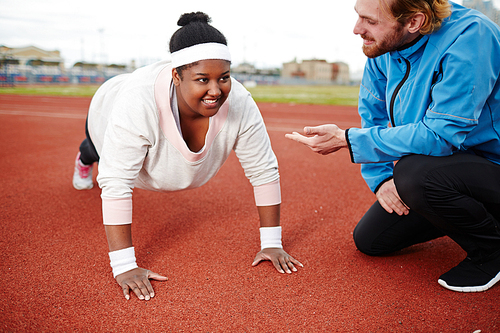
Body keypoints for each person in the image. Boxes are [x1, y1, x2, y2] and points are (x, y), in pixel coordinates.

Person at [73, 12, 302, 301]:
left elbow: (263, 170)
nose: (216, 91)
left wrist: (271, 243)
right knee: (96, 151)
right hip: (107, 108)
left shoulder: (240, 101)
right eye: (202, 79)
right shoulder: (137, 102)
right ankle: (84, 160)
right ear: (176, 76)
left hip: (153, 135)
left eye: (224, 78)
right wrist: (124, 266)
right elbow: (117, 182)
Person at [286, 0, 500, 292]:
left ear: (414, 22)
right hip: (450, 171)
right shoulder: (384, 46)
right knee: (372, 240)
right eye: (358, 16)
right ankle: (464, 212)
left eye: (370, 21)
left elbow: (441, 136)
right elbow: (371, 116)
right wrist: (381, 178)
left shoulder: (472, 36)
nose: (357, 29)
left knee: (415, 175)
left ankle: (491, 252)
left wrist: (346, 139)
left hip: (491, 164)